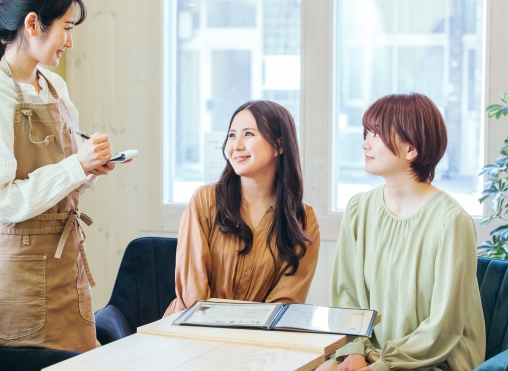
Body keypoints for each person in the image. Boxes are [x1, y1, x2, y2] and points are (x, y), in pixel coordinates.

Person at [0, 0, 119, 352]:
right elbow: (1, 202)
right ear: (32, 24)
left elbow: (63, 175)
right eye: (66, 27)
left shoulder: (53, 86)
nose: (71, 42)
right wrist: (76, 166)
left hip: (65, 268)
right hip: (15, 280)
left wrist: (89, 166)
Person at [318, 93, 485, 371]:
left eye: (376, 134)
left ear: (411, 150)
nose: (364, 143)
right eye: (366, 133)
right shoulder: (359, 209)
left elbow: (443, 327)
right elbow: (346, 296)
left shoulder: (451, 221)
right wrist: (354, 351)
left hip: (434, 359)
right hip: (369, 352)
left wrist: (382, 366)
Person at [165, 100, 320, 316]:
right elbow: (194, 297)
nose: (236, 146)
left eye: (248, 134)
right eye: (231, 135)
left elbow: (285, 305)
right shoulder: (205, 200)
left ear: (280, 145)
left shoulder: (303, 219)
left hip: (256, 341)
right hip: (191, 331)